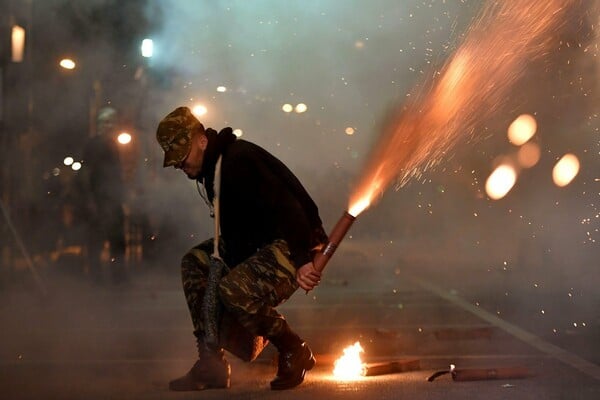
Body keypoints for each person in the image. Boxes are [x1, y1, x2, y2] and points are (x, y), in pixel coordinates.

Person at [156, 106, 328, 391]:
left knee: (232, 289)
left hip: (290, 242)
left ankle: (292, 348)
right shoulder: (215, 169)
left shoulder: (238, 161)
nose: (179, 164)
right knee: (195, 262)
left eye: (181, 155)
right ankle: (211, 363)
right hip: (255, 245)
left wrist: (302, 260)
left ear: (201, 140)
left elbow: (290, 207)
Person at [80, 106, 127, 285]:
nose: (110, 126)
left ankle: (119, 277)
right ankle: (97, 279)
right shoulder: (94, 145)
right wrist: (90, 199)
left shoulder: (112, 145)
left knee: (117, 241)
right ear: (100, 125)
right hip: (99, 199)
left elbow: (116, 174)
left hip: (112, 200)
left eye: (112, 122)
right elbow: (87, 173)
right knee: (96, 241)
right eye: (106, 122)